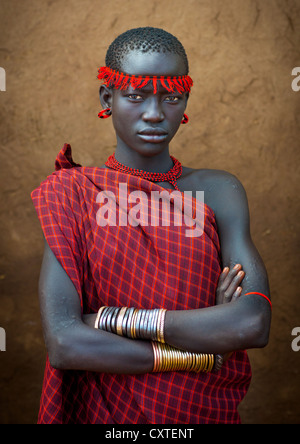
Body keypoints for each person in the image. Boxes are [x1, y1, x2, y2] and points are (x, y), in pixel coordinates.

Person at [31, 27, 272, 424]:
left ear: (186, 100)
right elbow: (65, 342)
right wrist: (206, 351)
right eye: (136, 95)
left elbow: (252, 322)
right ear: (108, 98)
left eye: (171, 97)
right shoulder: (73, 194)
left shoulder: (218, 190)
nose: (155, 113)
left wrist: (112, 319)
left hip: (198, 416)